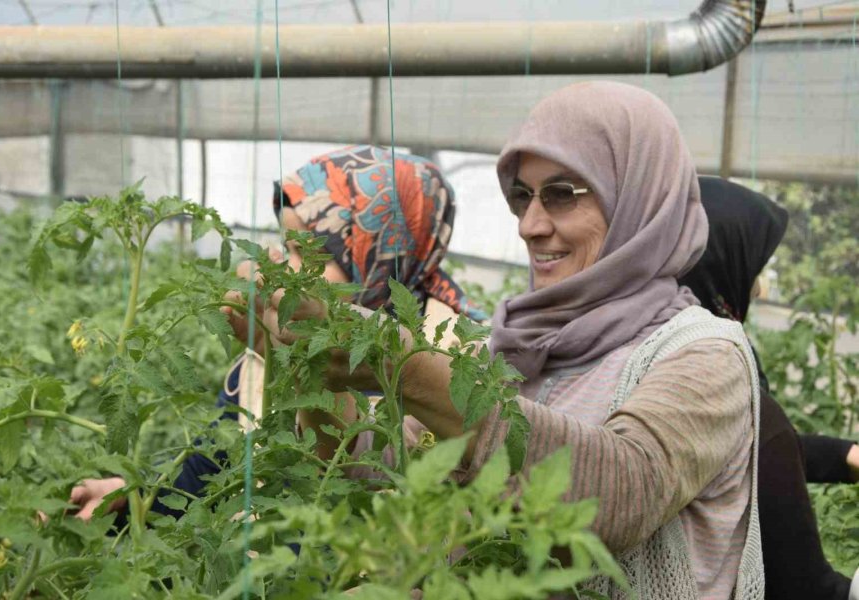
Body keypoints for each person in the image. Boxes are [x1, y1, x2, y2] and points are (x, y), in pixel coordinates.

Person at [256, 82, 763, 599]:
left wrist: (407, 368)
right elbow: (374, 470)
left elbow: (620, 494)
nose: (530, 225)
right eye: (522, 196)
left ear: (638, 196)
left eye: (562, 194)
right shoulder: (507, 348)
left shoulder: (704, 354)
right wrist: (307, 359)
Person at [68, 144, 484, 520]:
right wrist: (133, 498)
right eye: (286, 247)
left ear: (381, 252)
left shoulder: (453, 370)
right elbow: (208, 475)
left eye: (306, 251)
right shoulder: (264, 359)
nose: (286, 267)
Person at [681, 175, 859, 600]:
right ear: (724, 258)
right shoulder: (721, 371)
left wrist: (845, 456)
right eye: (755, 263)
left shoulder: (672, 344)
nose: (760, 285)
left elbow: (753, 447)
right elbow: (803, 586)